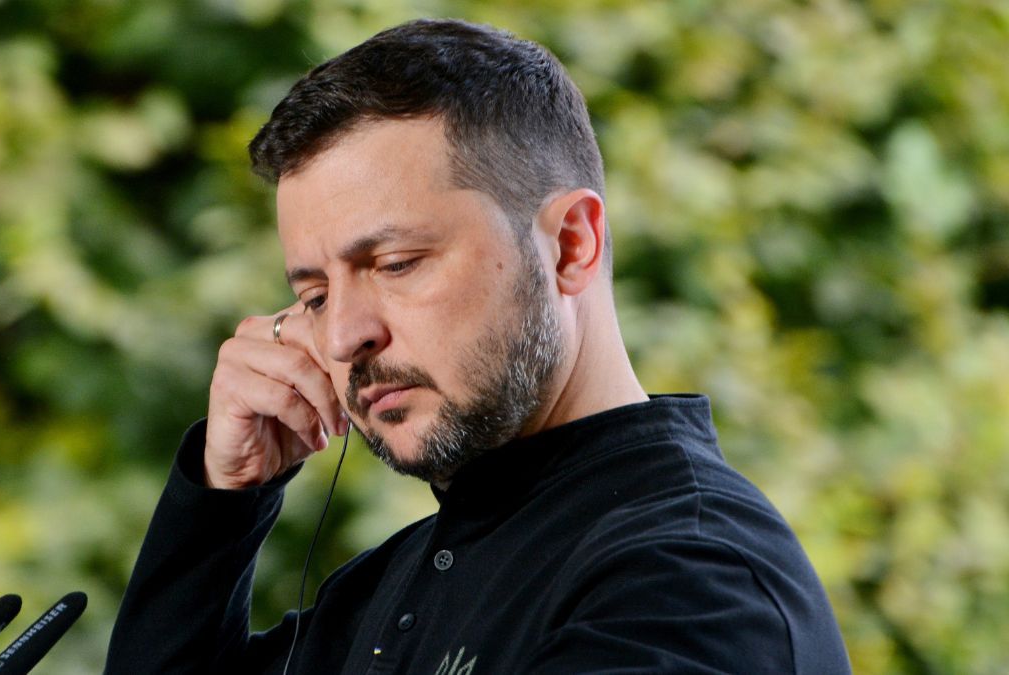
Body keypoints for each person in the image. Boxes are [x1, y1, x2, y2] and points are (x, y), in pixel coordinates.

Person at [105, 18, 851, 674]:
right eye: (315, 295)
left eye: (396, 264)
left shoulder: (692, 581)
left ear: (572, 245)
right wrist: (224, 493)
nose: (341, 335)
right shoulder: (389, 585)